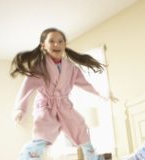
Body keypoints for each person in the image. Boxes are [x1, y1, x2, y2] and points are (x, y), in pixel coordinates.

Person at [10, 28, 113, 160]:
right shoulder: (39, 67)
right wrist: (20, 109)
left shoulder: (71, 68)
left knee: (80, 128)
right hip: (46, 106)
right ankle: (26, 157)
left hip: (64, 105)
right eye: (51, 41)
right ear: (43, 46)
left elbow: (85, 84)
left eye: (60, 41)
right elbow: (26, 88)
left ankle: (93, 157)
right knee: (42, 136)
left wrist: (100, 93)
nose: (56, 44)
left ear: (65, 45)